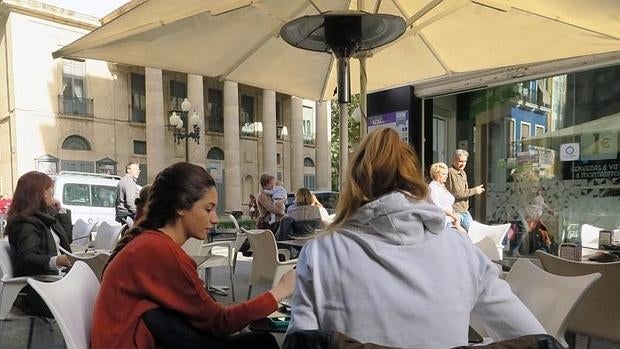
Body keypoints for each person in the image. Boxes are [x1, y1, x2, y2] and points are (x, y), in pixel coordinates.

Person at [287, 128, 545, 348]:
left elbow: (301, 342)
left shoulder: (320, 254)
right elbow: (536, 339)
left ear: (354, 184)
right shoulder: (461, 252)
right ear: (414, 180)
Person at [92, 162, 295, 349]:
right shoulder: (158, 251)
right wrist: (281, 290)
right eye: (208, 209)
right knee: (262, 343)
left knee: (259, 340)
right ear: (180, 206)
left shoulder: (147, 243)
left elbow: (205, 314)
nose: (215, 219)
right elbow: (220, 322)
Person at [5, 171, 72, 317]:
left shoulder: (42, 218)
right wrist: (56, 261)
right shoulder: (26, 224)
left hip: (52, 283)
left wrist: (60, 211)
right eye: (49, 189)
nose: (51, 193)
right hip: (40, 291)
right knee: (97, 296)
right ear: (41, 194)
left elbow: (67, 241)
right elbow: (27, 259)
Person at [445, 149, 484, 231]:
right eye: (460, 161)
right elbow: (457, 194)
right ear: (454, 160)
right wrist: (474, 191)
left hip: (464, 209)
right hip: (456, 210)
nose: (463, 164)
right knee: (472, 233)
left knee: (469, 233)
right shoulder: (451, 172)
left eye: (465, 161)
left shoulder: (463, 173)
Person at [428, 162, 466, 234]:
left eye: (446, 174)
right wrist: (452, 215)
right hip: (442, 222)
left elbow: (447, 204)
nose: (446, 176)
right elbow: (436, 205)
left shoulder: (442, 186)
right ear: (436, 174)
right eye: (443, 174)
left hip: (450, 221)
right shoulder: (433, 187)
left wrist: (453, 215)